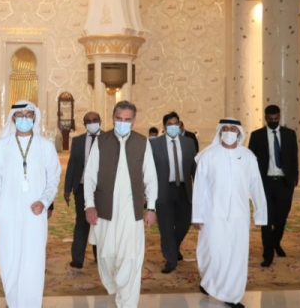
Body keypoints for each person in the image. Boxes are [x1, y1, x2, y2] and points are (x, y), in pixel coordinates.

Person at [0, 100, 61, 308]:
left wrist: (44, 201)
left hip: (35, 216)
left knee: (33, 262)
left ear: (35, 117)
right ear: (13, 118)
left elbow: (54, 179)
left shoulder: (46, 146)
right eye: (20, 115)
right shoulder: (1, 147)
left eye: (28, 115)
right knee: (8, 260)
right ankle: (14, 303)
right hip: (7, 215)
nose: (24, 119)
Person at [84, 100, 158, 308]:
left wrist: (151, 207)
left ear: (134, 121)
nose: (122, 123)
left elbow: (151, 178)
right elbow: (89, 176)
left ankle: (127, 302)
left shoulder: (143, 143)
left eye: (127, 120)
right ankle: (115, 291)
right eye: (119, 119)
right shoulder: (101, 142)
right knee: (106, 257)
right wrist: (89, 204)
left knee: (131, 258)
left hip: (131, 212)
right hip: (105, 211)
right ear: (113, 118)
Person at [192, 118, 267, 308]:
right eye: (225, 128)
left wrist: (260, 214)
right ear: (219, 132)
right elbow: (199, 187)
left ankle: (231, 296)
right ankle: (208, 281)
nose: (229, 131)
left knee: (236, 254)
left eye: (233, 128)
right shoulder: (208, 156)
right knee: (212, 252)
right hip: (212, 214)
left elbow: (256, 186)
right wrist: (197, 215)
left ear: (239, 133)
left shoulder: (248, 156)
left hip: (239, 216)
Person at [248, 105, 299, 268]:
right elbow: (251, 161)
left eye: (276, 119)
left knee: (280, 219)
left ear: (280, 117)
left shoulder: (289, 134)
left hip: (284, 183)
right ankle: (267, 254)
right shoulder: (257, 136)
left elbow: (294, 157)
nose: (273, 122)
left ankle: (275, 242)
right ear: (265, 118)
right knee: (266, 220)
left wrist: (294, 179)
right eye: (270, 120)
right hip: (265, 184)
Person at [150, 112, 196, 274]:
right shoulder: (155, 144)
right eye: (170, 124)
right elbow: (149, 171)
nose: (173, 126)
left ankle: (173, 247)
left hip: (184, 190)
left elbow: (194, 169)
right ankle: (170, 260)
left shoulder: (189, 143)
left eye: (176, 123)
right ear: (164, 127)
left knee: (185, 223)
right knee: (166, 226)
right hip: (164, 190)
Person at [64, 111, 101, 269]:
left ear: (99, 121)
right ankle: (77, 258)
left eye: (95, 120)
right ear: (84, 124)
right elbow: (72, 164)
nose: (92, 123)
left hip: (102, 189)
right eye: (88, 121)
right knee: (82, 221)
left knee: (100, 223)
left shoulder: (108, 139)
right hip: (82, 187)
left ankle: (99, 256)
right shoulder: (78, 141)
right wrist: (67, 189)